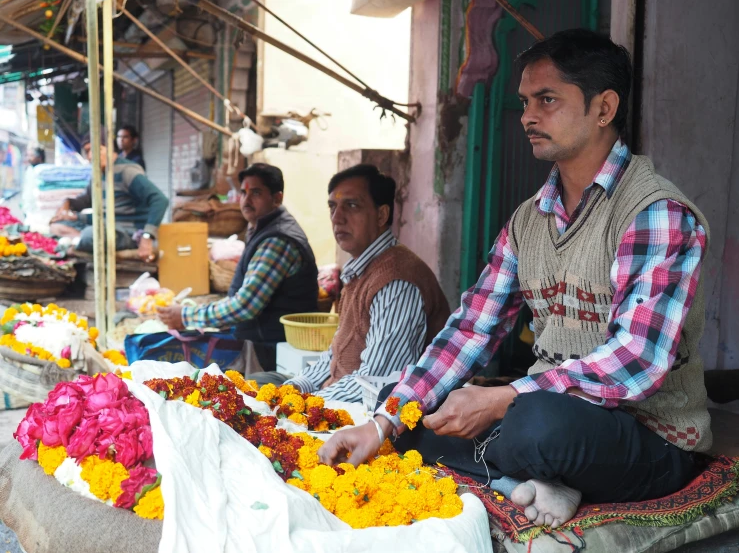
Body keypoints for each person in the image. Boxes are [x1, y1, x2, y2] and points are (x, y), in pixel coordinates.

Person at [318, 29, 712, 530]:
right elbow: (470, 329)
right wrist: (383, 422)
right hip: (544, 406)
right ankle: (532, 478)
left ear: (604, 108)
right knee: (405, 403)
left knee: (536, 425)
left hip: (648, 436)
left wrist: (505, 398)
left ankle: (520, 466)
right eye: (525, 101)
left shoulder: (655, 213)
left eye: (547, 100)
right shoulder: (529, 220)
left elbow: (635, 361)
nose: (528, 116)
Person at [270, 164, 451, 402]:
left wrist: (308, 405)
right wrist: (293, 390)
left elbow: (375, 384)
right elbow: (335, 354)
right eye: (332, 207)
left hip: (377, 420)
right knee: (264, 385)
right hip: (338, 400)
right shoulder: (360, 270)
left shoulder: (396, 281)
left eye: (352, 206)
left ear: (381, 215)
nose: (337, 218)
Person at [157, 163, 318, 372]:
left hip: (274, 353)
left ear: (277, 198)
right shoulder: (263, 229)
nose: (246, 200)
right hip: (263, 345)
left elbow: (245, 305)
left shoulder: (278, 240)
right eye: (243, 192)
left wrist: (185, 315)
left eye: (256, 193)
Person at [49, 138, 168, 262]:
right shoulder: (99, 174)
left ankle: (79, 241)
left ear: (110, 149)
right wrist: (68, 205)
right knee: (56, 226)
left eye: (97, 149)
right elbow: (86, 201)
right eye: (87, 151)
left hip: (124, 232)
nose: (91, 156)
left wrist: (147, 237)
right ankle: (80, 241)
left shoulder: (127, 171)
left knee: (93, 235)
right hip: (103, 226)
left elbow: (160, 200)